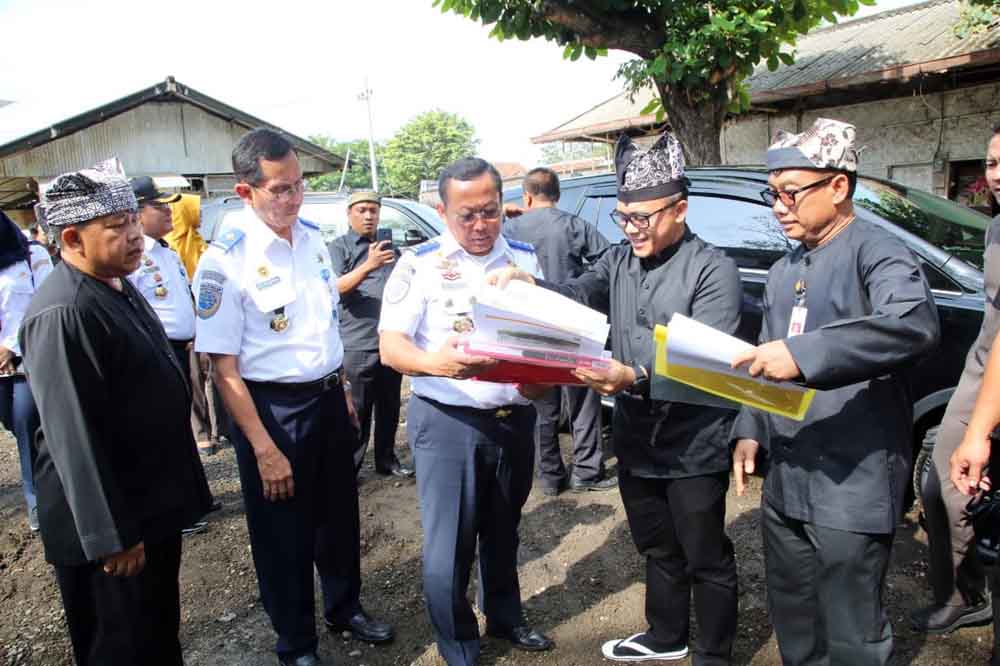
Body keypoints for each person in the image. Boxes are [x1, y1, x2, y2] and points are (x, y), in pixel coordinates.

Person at [490, 132, 742, 664]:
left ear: (680, 208)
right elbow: (581, 290)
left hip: (694, 439)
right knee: (656, 544)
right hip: (635, 435)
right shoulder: (622, 260)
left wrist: (636, 376)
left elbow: (710, 363)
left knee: (704, 554)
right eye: (623, 218)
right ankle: (666, 635)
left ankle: (714, 653)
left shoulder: (713, 268)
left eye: (642, 218)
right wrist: (531, 287)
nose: (631, 229)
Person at [729, 119, 941, 665]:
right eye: (771, 193)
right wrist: (750, 429)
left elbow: (912, 324)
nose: (778, 206)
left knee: (851, 626)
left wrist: (804, 356)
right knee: (794, 614)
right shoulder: (783, 270)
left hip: (853, 475)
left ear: (839, 187)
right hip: (788, 473)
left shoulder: (879, 252)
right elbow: (763, 353)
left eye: (790, 192)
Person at [192, 128, 392, 666]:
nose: (294, 198)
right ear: (246, 192)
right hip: (271, 411)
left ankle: (345, 606)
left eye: (299, 185)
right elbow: (223, 369)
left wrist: (344, 391)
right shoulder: (224, 260)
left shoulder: (311, 240)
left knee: (338, 515)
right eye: (280, 189)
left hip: (328, 398)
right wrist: (261, 446)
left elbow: (321, 323)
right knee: (283, 532)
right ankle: (296, 641)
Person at [19, 158, 212, 665]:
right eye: (116, 227)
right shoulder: (65, 312)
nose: (134, 237)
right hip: (110, 531)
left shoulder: (115, 284)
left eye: (132, 221)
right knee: (119, 646)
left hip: (147, 508)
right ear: (72, 239)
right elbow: (73, 437)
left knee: (154, 634)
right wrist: (111, 538)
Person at [379, 157, 554, 665]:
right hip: (450, 421)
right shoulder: (419, 263)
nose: (480, 226)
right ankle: (458, 644)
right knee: (449, 547)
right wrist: (436, 363)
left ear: (504, 205)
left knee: (504, 529)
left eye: (490, 212)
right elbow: (391, 347)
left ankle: (504, 615)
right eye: (466, 215)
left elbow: (541, 337)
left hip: (514, 417)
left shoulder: (524, 259)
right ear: (443, 210)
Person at [915, 127, 1000, 635]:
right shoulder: (994, 230)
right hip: (982, 372)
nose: (997, 174)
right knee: (940, 487)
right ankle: (967, 594)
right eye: (991, 162)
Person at [502, 167, 611, 496]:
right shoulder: (573, 224)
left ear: (527, 196)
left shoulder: (508, 228)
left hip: (527, 325)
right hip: (573, 319)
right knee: (582, 399)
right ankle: (587, 473)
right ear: (558, 195)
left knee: (541, 403)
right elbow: (607, 260)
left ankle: (550, 476)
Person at [328, 191, 412, 477]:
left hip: (389, 343)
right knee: (357, 411)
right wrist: (369, 265)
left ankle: (386, 461)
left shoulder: (391, 249)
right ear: (349, 213)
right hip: (358, 344)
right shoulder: (339, 248)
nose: (368, 216)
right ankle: (349, 470)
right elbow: (335, 289)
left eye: (374, 211)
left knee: (389, 407)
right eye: (362, 210)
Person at [0, 210, 52, 532]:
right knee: (13, 423)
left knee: (27, 425)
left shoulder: (34, 257)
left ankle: (39, 504)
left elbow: (43, 306)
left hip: (26, 364)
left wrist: (10, 347)